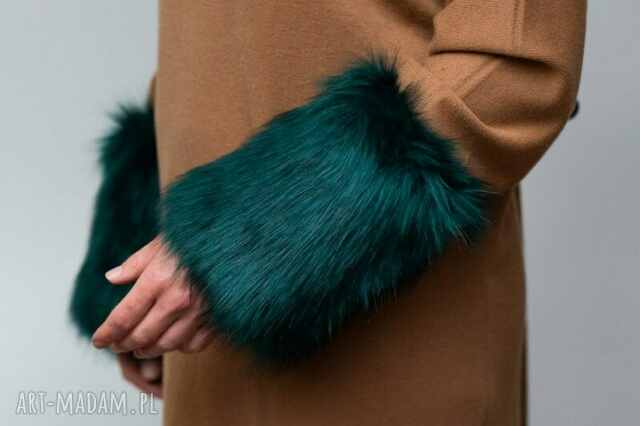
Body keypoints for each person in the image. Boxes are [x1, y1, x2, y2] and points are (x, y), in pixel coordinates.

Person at [70, 1, 586, 425]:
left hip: (395, 338)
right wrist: (140, 269)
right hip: (202, 339)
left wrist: (239, 248)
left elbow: (516, 69)